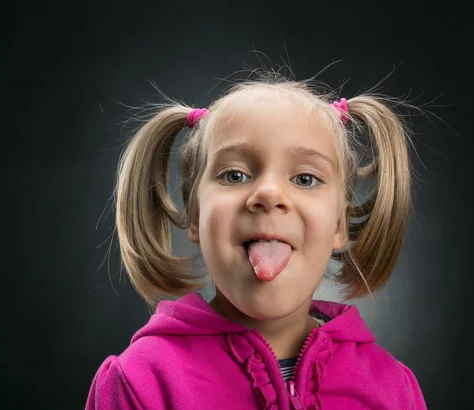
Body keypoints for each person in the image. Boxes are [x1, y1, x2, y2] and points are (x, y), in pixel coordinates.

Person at [86, 71, 427, 409]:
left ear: (339, 223)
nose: (268, 193)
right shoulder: (140, 383)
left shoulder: (394, 391)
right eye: (235, 175)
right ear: (195, 215)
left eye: (305, 178)